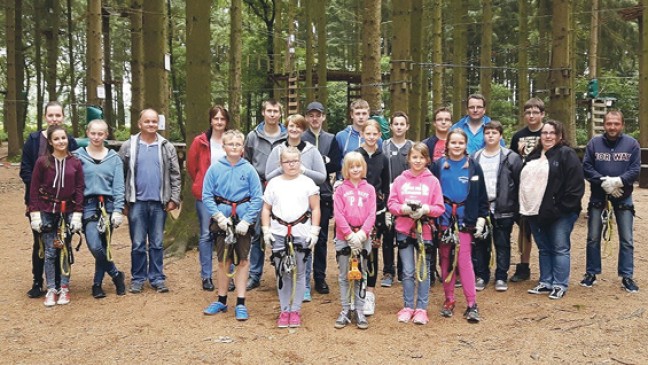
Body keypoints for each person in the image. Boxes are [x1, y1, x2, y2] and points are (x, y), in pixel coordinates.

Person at [202, 130, 264, 321]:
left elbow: (257, 197)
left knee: (243, 260)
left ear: (243, 148)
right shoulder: (215, 169)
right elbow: (207, 195)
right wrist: (219, 217)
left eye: (238, 144)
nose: (235, 147)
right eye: (231, 144)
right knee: (223, 260)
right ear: (224, 147)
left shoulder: (249, 169)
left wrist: (247, 220)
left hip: (243, 220)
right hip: (223, 220)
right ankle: (221, 299)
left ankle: (241, 301)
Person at [119, 108, 181, 294]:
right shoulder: (128, 146)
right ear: (139, 124)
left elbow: (175, 174)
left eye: (154, 121)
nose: (151, 124)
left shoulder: (166, 146)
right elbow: (119, 175)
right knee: (138, 243)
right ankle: (138, 278)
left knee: (156, 242)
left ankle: (157, 277)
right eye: (147, 121)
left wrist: (174, 198)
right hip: (136, 203)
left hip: (159, 203)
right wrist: (122, 201)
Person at [265, 113, 326, 302]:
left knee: (303, 246)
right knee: (282, 247)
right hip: (282, 202)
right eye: (291, 126)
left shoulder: (311, 150)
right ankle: (284, 285)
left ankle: (305, 285)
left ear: (303, 129)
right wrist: (284, 167)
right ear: (286, 127)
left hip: (305, 204)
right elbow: (268, 174)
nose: (294, 129)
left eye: (298, 126)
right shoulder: (278, 149)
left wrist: (303, 170)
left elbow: (322, 176)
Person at [20, 101, 78, 298]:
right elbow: (26, 170)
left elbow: (75, 169)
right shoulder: (34, 140)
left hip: (65, 203)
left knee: (63, 241)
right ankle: (39, 281)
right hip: (39, 202)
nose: (54, 119)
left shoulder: (68, 140)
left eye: (58, 115)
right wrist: (45, 187)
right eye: (51, 115)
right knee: (41, 242)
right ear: (45, 117)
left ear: (63, 117)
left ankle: (62, 283)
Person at [521, 120, 584, 300]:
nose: (548, 136)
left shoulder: (567, 155)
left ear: (560, 135)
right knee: (544, 248)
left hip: (560, 212)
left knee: (559, 247)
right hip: (534, 210)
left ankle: (559, 283)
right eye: (544, 133)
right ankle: (546, 281)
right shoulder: (533, 155)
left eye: (552, 133)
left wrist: (561, 208)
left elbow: (576, 186)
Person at [430, 129, 489, 322]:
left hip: (465, 220)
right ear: (447, 145)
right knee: (446, 260)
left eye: (460, 143)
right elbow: (431, 190)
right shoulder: (439, 165)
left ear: (466, 145)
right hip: (444, 220)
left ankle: (472, 303)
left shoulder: (473, 166)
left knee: (464, 262)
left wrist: (482, 217)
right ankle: (449, 299)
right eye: (453, 143)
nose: (457, 146)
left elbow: (481, 194)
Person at [261, 147, 321, 328]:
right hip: (279, 232)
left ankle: (295, 309)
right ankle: (284, 309)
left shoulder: (308, 182)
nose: (291, 165)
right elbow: (266, 208)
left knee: (300, 271)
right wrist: (266, 229)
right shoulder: (274, 183)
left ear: (300, 161)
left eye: (295, 161)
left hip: (301, 231)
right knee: (282, 272)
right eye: (287, 162)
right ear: (281, 164)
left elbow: (316, 208)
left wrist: (314, 230)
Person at [581, 110, 640, 292]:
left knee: (627, 238)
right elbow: (587, 167)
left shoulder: (632, 144)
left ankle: (627, 276)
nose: (612, 127)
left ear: (622, 125)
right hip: (599, 195)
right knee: (593, 236)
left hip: (623, 195)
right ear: (604, 125)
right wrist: (603, 181)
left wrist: (618, 181)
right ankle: (591, 273)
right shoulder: (594, 143)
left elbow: (635, 169)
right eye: (609, 123)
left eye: (616, 123)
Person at [388, 143, 444, 325]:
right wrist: (403, 209)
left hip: (425, 231)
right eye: (414, 157)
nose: (418, 161)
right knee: (408, 270)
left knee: (423, 270)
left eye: (421, 157)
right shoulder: (400, 180)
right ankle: (407, 306)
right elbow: (392, 203)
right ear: (409, 159)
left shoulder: (433, 181)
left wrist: (426, 209)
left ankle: (421, 308)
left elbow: (439, 207)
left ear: (427, 160)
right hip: (404, 230)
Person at [29, 125, 84, 306]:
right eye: (57, 139)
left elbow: (79, 189)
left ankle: (65, 288)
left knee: (65, 250)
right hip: (47, 211)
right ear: (51, 142)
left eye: (63, 138)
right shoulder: (42, 162)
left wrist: (77, 213)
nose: (61, 142)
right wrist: (35, 213)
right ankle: (52, 288)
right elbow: (34, 189)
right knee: (50, 251)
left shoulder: (75, 162)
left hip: (67, 211)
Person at [74, 120, 126, 298]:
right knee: (95, 246)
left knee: (104, 245)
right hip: (88, 205)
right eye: (93, 133)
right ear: (87, 133)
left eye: (100, 134)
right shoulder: (77, 156)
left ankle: (97, 284)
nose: (96, 137)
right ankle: (116, 274)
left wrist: (118, 210)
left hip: (108, 206)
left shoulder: (114, 159)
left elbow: (118, 186)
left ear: (106, 135)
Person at [471, 121, 522, 292]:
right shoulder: (475, 157)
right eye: (487, 133)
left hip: (504, 207)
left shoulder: (510, 157)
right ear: (483, 136)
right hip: (481, 208)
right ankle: (482, 275)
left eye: (494, 132)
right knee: (480, 243)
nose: (491, 135)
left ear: (500, 136)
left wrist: (515, 206)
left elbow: (518, 182)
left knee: (502, 243)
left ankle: (501, 276)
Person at [244, 100, 288, 291]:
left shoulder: (288, 136)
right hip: (259, 188)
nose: (272, 114)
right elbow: (246, 161)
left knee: (283, 230)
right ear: (263, 112)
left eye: (275, 111)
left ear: (280, 114)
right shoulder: (253, 136)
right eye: (269, 111)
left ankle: (283, 271)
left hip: (283, 186)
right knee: (257, 232)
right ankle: (254, 274)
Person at [187, 105, 229, 291]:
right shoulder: (201, 141)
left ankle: (230, 274)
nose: (219, 122)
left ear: (226, 121)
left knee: (229, 233)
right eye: (216, 118)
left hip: (228, 196)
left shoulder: (232, 140)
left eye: (222, 119)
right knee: (206, 235)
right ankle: (206, 276)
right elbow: (192, 166)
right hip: (206, 195)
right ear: (211, 120)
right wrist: (200, 182)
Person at [301, 101, 341, 296]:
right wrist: (320, 163)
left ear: (323, 117)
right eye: (311, 115)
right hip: (301, 194)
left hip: (324, 193)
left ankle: (319, 277)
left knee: (321, 238)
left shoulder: (331, 139)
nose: (315, 119)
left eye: (318, 115)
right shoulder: (301, 138)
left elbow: (335, 164)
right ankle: (302, 277)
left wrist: (322, 164)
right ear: (307, 118)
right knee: (302, 236)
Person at [333, 152, 376, 330]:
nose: (355, 169)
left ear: (363, 167)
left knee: (361, 274)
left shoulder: (370, 189)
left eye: (358, 166)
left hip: (363, 237)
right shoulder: (341, 190)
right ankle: (345, 308)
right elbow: (338, 214)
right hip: (345, 237)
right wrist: (349, 235)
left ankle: (359, 308)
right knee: (345, 275)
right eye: (351, 167)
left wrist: (363, 234)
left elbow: (372, 213)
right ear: (346, 170)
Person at [355, 119, 389, 316]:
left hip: (375, 211)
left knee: (372, 252)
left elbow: (386, 185)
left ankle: (370, 293)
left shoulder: (383, 158)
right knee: (355, 249)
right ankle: (356, 288)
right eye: (367, 133)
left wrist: (385, 209)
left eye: (374, 134)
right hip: (356, 209)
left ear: (379, 135)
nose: (371, 137)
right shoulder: (355, 156)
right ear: (362, 135)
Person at [509, 97, 545, 283]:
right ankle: (523, 266)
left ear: (542, 114)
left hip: (543, 189)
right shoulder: (517, 136)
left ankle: (548, 268)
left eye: (535, 112)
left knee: (544, 230)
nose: (531, 116)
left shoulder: (548, 133)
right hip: (523, 189)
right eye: (528, 112)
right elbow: (513, 162)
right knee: (524, 229)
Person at [381, 111, 413, 287]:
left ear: (407, 126)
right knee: (388, 234)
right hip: (388, 196)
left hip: (408, 197)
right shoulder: (385, 146)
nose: (399, 127)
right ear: (391, 126)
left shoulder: (412, 147)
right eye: (396, 124)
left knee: (404, 233)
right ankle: (388, 271)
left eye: (402, 124)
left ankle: (402, 270)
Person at [335, 99, 382, 170]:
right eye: (357, 113)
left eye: (364, 113)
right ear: (351, 115)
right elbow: (337, 163)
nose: (361, 117)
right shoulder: (341, 136)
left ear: (368, 114)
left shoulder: (376, 139)